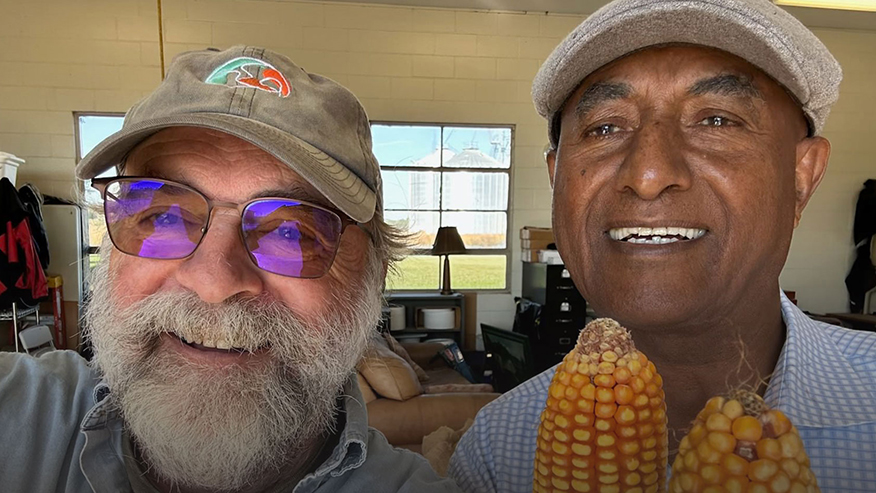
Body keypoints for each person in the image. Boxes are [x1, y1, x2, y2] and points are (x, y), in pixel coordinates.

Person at [449, 0, 876, 491]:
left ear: (802, 178)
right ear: (556, 181)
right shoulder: (496, 452)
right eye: (604, 128)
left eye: (716, 120)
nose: (648, 174)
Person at [0, 46, 462, 493]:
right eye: (163, 218)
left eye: (292, 233)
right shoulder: (15, 410)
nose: (214, 282)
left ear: (374, 279)